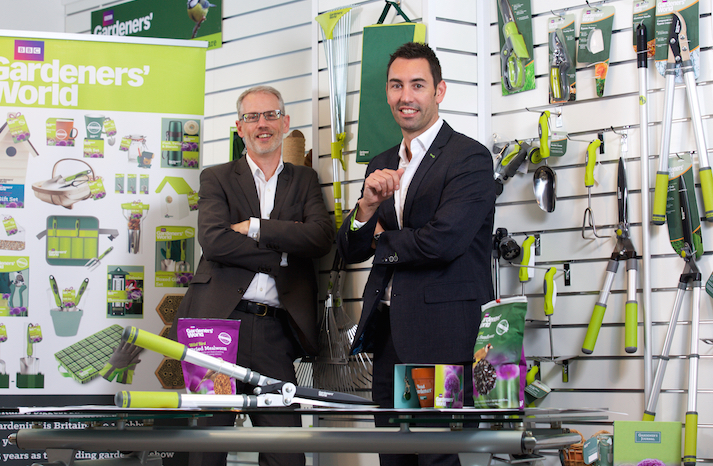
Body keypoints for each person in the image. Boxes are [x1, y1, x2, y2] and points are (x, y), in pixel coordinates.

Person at [337, 42, 496, 466]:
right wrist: (367, 209)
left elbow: (443, 242)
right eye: (396, 85)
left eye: (417, 85)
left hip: (442, 336)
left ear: (439, 91)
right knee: (394, 456)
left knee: (436, 457)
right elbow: (350, 248)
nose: (405, 96)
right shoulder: (384, 162)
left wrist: (383, 239)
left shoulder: (470, 158)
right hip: (390, 337)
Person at [173, 85, 335, 466]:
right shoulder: (216, 178)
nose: (262, 124)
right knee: (205, 450)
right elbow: (214, 242)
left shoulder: (305, 180)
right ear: (239, 127)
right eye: (252, 117)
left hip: (273, 333)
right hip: (215, 328)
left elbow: (320, 238)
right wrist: (281, 253)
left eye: (270, 115)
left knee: (285, 452)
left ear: (285, 122)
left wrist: (256, 227)